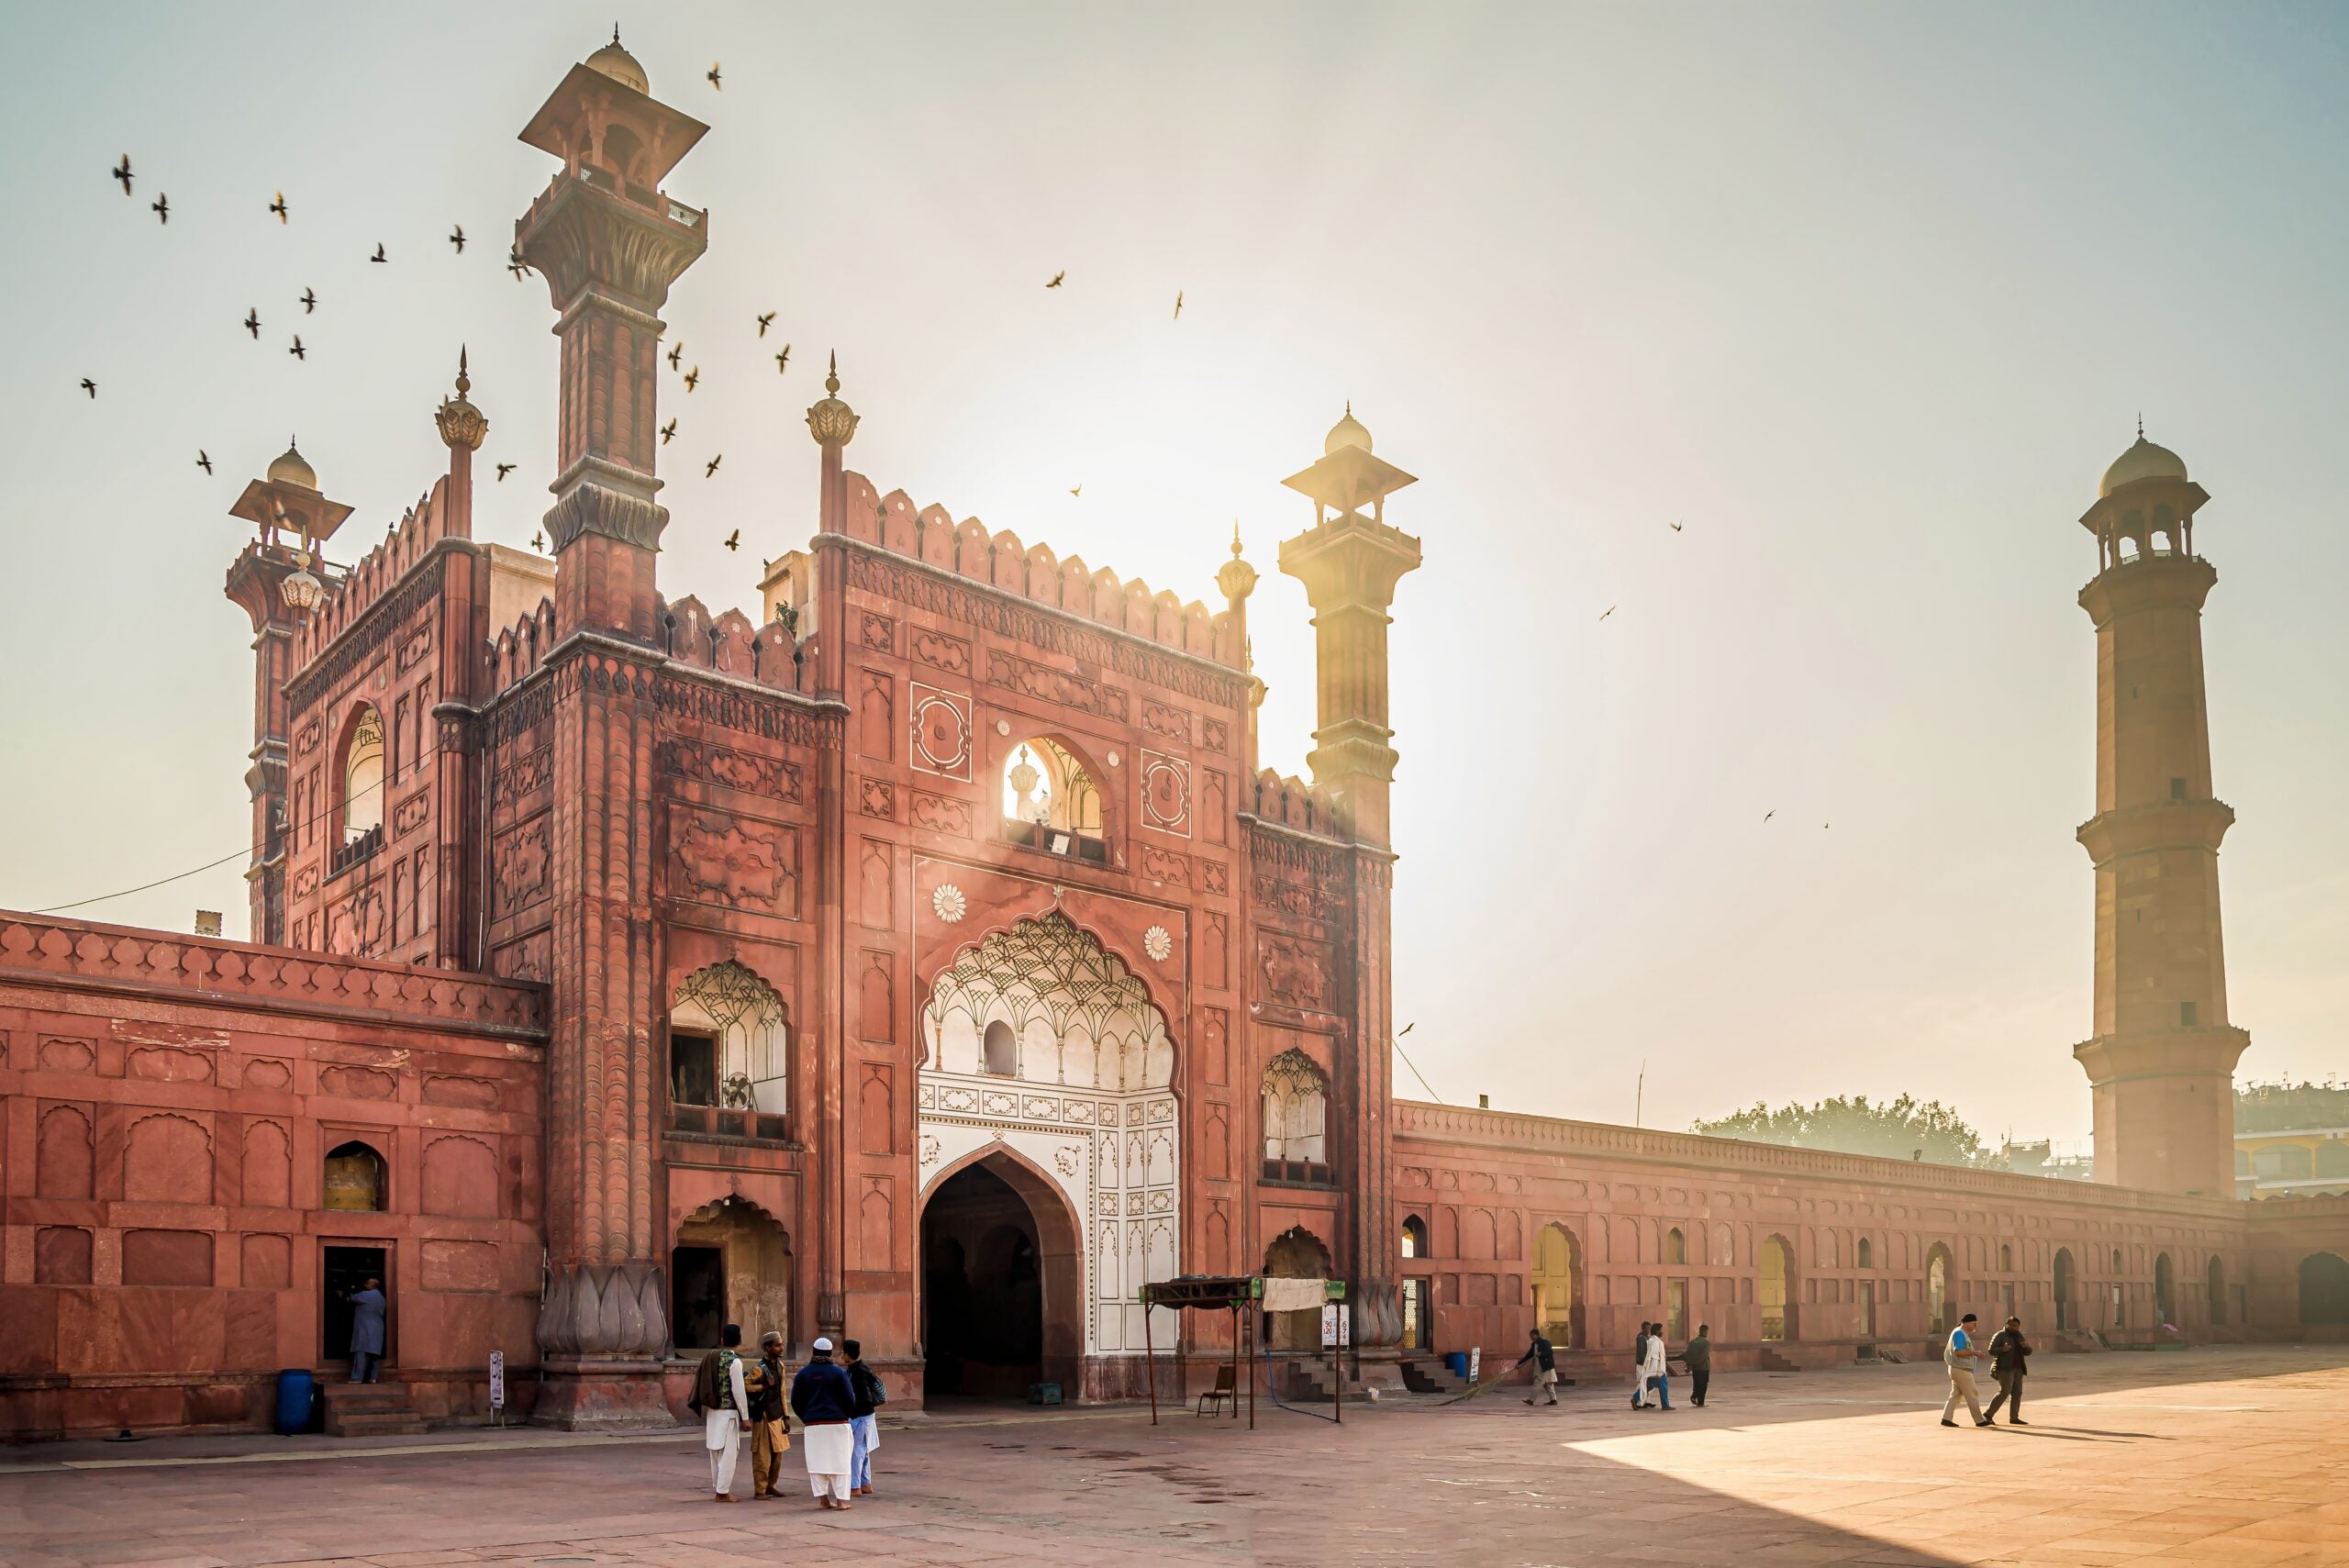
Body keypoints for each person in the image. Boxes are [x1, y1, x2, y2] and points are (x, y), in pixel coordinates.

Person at [792, 1336, 858, 1509]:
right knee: (841, 1462)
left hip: (813, 1425)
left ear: (813, 1352)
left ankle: (823, 1500)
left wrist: (806, 1417)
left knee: (817, 1463)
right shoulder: (839, 1373)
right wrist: (845, 1414)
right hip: (837, 1423)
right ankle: (842, 1501)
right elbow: (850, 1399)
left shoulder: (803, 1374)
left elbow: (796, 1401)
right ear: (830, 1353)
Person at [689, 1324, 750, 1502]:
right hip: (729, 1413)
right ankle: (722, 1492)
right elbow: (738, 1392)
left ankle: (718, 1487)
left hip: (713, 1411)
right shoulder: (735, 1362)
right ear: (739, 1340)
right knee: (729, 1454)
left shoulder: (711, 1357)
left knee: (715, 1452)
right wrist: (745, 1417)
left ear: (722, 1340)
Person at [749, 1331, 791, 1498]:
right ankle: (760, 1490)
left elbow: (781, 1393)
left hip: (777, 1416)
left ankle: (771, 1485)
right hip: (764, 1416)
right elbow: (745, 1385)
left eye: (781, 1344)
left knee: (777, 1456)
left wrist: (786, 1416)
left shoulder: (780, 1366)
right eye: (777, 1345)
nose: (781, 1348)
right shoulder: (759, 1369)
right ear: (767, 1347)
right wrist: (763, 1387)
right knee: (762, 1456)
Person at [844, 1339, 885, 1496]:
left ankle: (855, 1486)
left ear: (848, 1354)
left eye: (843, 1352)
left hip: (860, 1415)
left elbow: (862, 1396)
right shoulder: (862, 1369)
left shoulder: (857, 1372)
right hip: (867, 1414)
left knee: (857, 1450)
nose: (842, 1356)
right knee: (863, 1449)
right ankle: (865, 1483)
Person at [1941, 1312, 1991, 1428]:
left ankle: (1946, 1418)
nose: (1975, 1327)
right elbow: (1958, 1351)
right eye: (1974, 1324)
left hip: (1957, 1368)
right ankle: (1979, 1420)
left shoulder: (1961, 1333)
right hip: (1961, 1369)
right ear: (1967, 1323)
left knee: (1956, 1394)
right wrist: (1974, 1353)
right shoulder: (1959, 1333)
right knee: (1972, 1394)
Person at [1983, 1315, 2031, 1426]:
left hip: (2018, 1368)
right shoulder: (2000, 1335)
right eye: (2011, 1325)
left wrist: (2025, 1346)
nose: (2014, 1327)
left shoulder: (2019, 1336)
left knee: (2017, 1393)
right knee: (2004, 1391)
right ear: (2007, 1325)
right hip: (2004, 1368)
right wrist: (2002, 1349)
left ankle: (2014, 1417)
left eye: (2016, 1325)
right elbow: (1991, 1350)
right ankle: (1988, 1414)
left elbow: (2029, 1352)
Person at [347, 1278, 386, 1384]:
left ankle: (357, 1377)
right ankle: (373, 1377)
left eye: (366, 1284)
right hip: (378, 1328)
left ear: (370, 1285)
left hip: (365, 1328)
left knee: (361, 1352)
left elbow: (352, 1298)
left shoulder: (366, 1295)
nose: (365, 1285)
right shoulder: (381, 1298)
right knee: (375, 1354)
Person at [1516, 1329, 1559, 1407]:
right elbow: (1529, 1355)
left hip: (1545, 1366)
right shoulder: (1534, 1345)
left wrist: (1541, 1353)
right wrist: (1520, 1363)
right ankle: (1553, 1399)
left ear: (1537, 1335)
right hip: (1539, 1366)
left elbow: (1550, 1352)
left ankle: (1531, 1400)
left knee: (1539, 1383)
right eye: (1530, 1336)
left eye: (1532, 1335)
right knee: (1548, 1384)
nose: (1531, 1337)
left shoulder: (1545, 1342)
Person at [1642, 1323, 1672, 1410]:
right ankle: (1665, 1405)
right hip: (1658, 1368)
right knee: (1663, 1386)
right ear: (1657, 1331)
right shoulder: (1656, 1342)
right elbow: (1653, 1356)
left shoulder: (1654, 1341)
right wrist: (1656, 1369)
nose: (1662, 1332)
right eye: (1661, 1330)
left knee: (1649, 1385)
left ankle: (1635, 1398)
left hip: (1657, 1368)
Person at [1683, 1324, 1712, 1407]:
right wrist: (1696, 1362)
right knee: (1703, 1384)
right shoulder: (1706, 1342)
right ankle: (1700, 1402)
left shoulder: (1692, 1342)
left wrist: (1690, 1364)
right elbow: (1704, 1355)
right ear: (1706, 1331)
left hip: (1695, 1368)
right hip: (1703, 1367)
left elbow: (1688, 1354)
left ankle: (1694, 1396)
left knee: (1696, 1383)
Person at [1630, 1321, 1653, 1408]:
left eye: (1649, 1328)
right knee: (1641, 1383)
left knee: (1649, 1383)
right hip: (1642, 1364)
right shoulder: (1641, 1338)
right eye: (1646, 1328)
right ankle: (1636, 1400)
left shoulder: (1648, 1337)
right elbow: (1641, 1353)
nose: (1648, 1330)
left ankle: (1646, 1401)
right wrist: (1647, 1361)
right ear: (1643, 1328)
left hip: (1647, 1363)